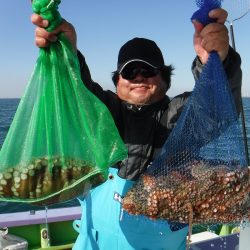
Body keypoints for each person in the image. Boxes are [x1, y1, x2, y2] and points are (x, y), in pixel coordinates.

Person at [31, 8, 242, 250]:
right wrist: (64, 51)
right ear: (117, 81)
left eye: (148, 70)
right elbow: (75, 92)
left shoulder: (179, 115)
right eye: (130, 71)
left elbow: (213, 111)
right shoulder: (102, 112)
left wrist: (217, 63)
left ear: (164, 78)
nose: (139, 77)